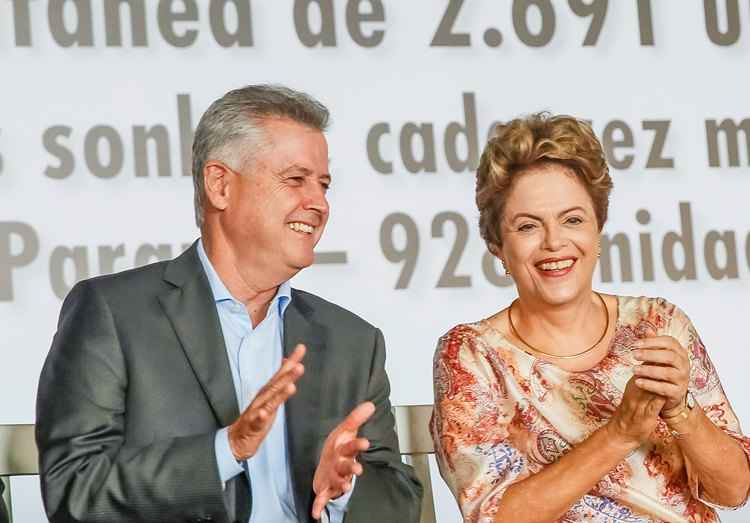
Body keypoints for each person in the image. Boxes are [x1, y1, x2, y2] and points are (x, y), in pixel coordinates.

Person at [36, 85, 422, 523]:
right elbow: (75, 491)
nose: (318, 203)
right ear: (220, 185)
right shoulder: (114, 314)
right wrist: (226, 450)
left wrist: (344, 488)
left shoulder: (353, 341)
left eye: (324, 184)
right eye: (295, 180)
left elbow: (399, 499)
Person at [430, 112, 750, 522]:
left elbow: (735, 489)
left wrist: (681, 412)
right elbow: (494, 517)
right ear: (497, 246)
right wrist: (620, 433)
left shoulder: (658, 323)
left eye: (573, 220)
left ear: (598, 231)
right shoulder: (472, 354)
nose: (554, 243)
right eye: (528, 226)